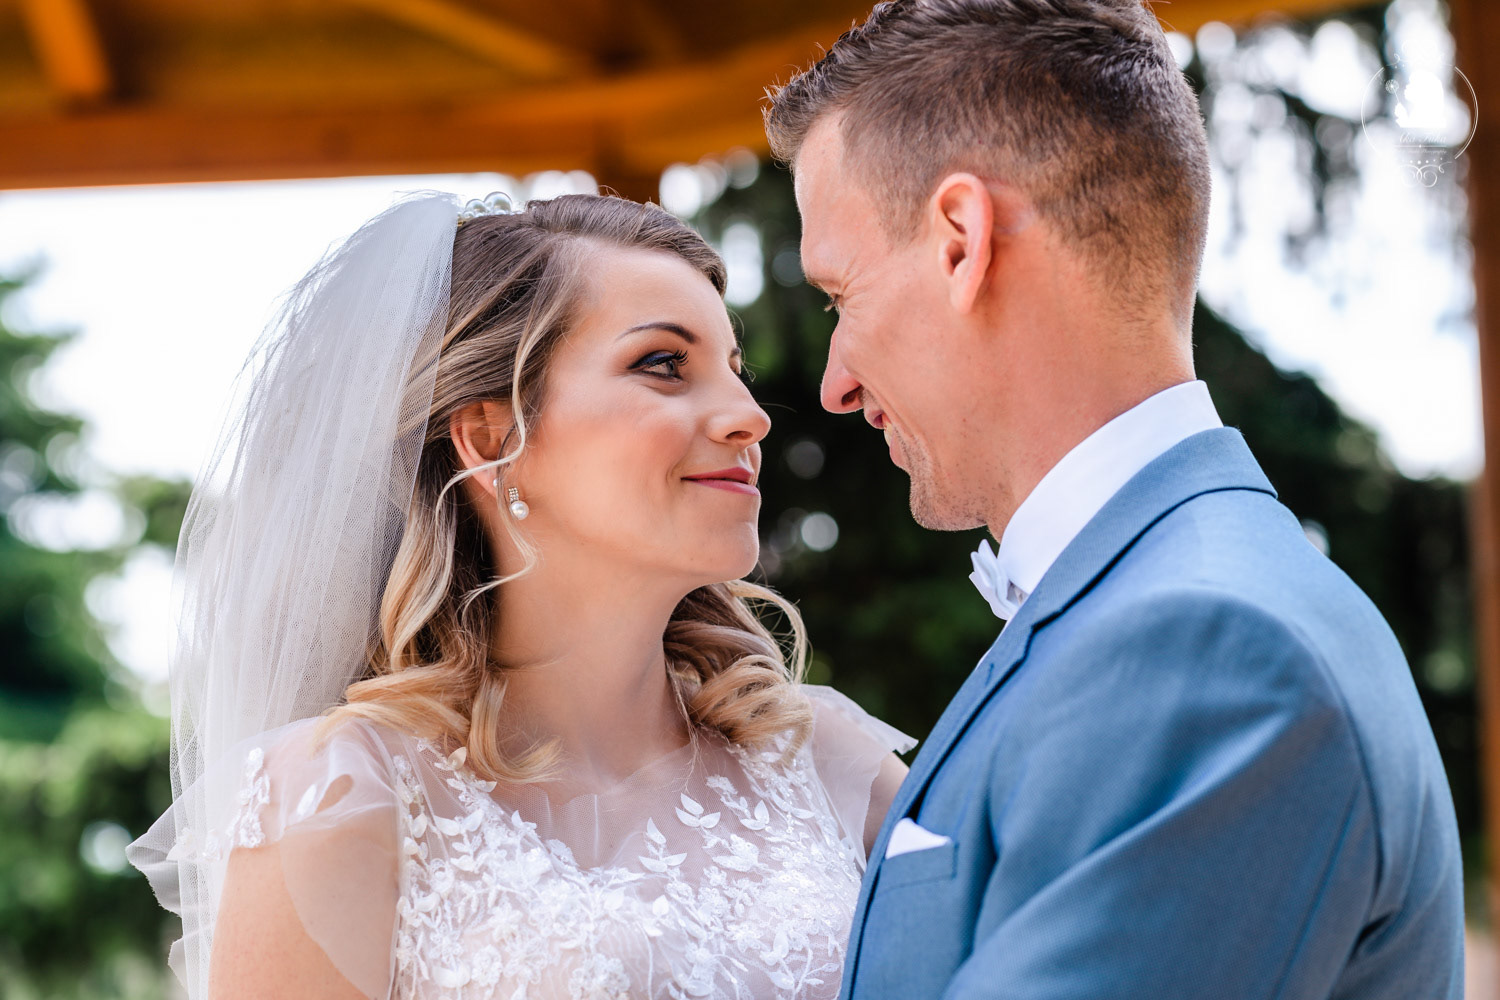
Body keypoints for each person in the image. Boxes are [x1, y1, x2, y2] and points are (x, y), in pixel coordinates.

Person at [764, 1, 1465, 997]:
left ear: (961, 241)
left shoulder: (1206, 646)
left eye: (843, 295)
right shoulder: (1165, 603)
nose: (835, 382)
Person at [128, 191, 912, 1000]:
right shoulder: (341, 795)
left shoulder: (818, 756)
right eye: (664, 364)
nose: (750, 418)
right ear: (492, 437)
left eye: (736, 373)